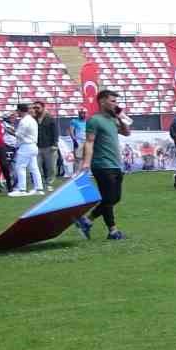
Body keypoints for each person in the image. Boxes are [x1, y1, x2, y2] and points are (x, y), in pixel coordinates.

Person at [74, 89, 127, 240]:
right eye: (112, 101)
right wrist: (86, 163)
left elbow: (127, 132)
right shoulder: (94, 120)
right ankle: (113, 231)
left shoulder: (113, 119)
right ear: (102, 101)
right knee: (108, 198)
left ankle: (86, 220)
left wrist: (121, 118)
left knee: (114, 198)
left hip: (116, 164)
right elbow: (89, 142)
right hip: (102, 164)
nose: (115, 104)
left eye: (116, 101)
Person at [7, 103, 41, 196]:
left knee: (20, 167)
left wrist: (10, 131)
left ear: (20, 110)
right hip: (33, 145)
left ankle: (22, 190)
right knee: (34, 168)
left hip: (26, 146)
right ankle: (38, 188)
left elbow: (19, 135)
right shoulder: (31, 119)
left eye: (17, 111)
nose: (17, 112)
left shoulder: (24, 121)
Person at [33, 101, 60, 190]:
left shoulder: (50, 118)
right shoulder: (34, 119)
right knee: (36, 166)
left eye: (37, 107)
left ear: (43, 108)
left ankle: (49, 183)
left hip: (49, 146)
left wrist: (55, 144)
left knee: (51, 167)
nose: (36, 109)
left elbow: (55, 132)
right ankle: (39, 184)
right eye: (34, 108)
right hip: (37, 146)